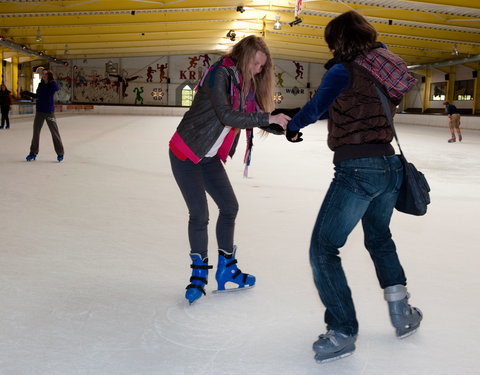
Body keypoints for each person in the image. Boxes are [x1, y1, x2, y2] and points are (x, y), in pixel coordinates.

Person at [285, 11, 423, 363]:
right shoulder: (381, 70)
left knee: (323, 249)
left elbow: (318, 107)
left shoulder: (342, 71)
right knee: (378, 238)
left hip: (358, 169)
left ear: (339, 41)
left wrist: (291, 126)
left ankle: (343, 329)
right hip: (389, 167)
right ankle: (402, 314)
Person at [169, 35, 291, 304]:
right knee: (199, 215)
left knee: (229, 207)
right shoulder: (219, 75)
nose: (260, 70)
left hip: (209, 158)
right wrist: (266, 117)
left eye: (262, 66)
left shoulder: (245, 85)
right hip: (186, 152)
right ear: (246, 57)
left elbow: (254, 116)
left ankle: (226, 270)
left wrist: (286, 128)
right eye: (257, 64)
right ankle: (198, 275)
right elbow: (226, 115)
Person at [23, 69, 64, 162]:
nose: (43, 75)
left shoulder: (52, 85)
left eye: (45, 74)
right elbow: (37, 96)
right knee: (36, 133)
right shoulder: (40, 85)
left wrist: (52, 81)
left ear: (49, 75)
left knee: (54, 132)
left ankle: (60, 153)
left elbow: (57, 88)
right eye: (43, 74)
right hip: (39, 111)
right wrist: (27, 93)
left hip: (49, 112)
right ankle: (33, 153)